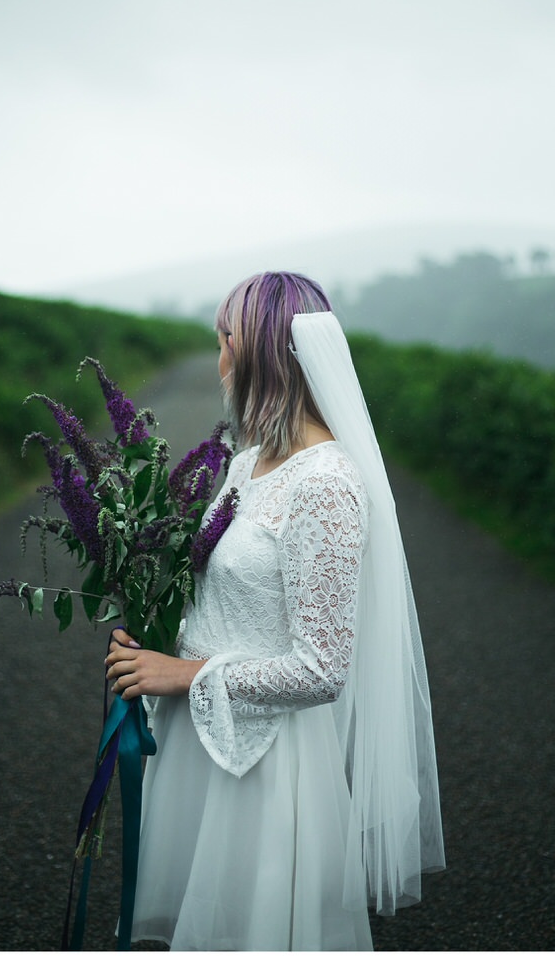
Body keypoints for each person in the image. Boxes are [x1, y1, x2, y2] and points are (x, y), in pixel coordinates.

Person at [105, 271, 444, 951]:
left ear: (259, 353)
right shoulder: (250, 462)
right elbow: (231, 591)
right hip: (201, 743)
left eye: (225, 340)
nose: (220, 358)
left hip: (264, 771)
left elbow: (321, 671)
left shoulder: (324, 485)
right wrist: (156, 637)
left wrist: (184, 674)